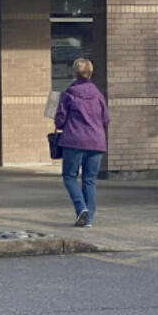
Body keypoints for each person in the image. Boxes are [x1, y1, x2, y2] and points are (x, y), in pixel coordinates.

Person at [53, 58, 109, 227]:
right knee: (89, 180)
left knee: (69, 176)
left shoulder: (69, 94)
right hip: (96, 142)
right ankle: (88, 220)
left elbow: (60, 121)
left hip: (74, 141)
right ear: (90, 73)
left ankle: (81, 208)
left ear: (75, 73)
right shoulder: (98, 95)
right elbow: (106, 119)